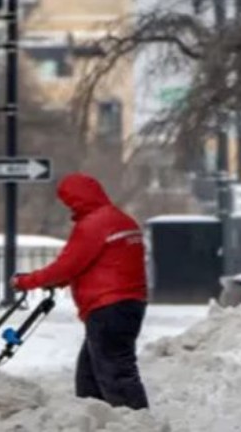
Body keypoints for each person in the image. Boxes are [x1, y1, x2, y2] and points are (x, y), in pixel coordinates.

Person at [13, 172, 149, 410]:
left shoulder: (94, 224)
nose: (68, 206)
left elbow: (67, 266)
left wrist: (26, 282)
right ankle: (93, 421)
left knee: (116, 374)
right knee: (89, 378)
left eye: (67, 200)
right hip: (129, 303)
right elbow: (102, 263)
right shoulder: (122, 220)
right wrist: (63, 282)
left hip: (107, 307)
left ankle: (138, 424)